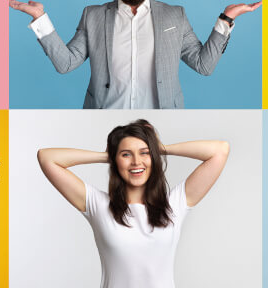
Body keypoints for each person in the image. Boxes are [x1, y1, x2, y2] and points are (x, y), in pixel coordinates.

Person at [9, 0, 260, 108]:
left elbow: (203, 65)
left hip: (160, 125)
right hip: (104, 121)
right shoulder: (93, 16)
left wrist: (226, 20)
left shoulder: (175, 15)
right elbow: (66, 64)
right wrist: (40, 19)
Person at [38, 119, 228, 287]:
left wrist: (159, 148)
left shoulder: (174, 204)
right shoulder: (99, 206)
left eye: (144, 153)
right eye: (126, 155)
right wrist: (108, 156)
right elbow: (47, 158)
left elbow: (220, 151)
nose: (136, 162)